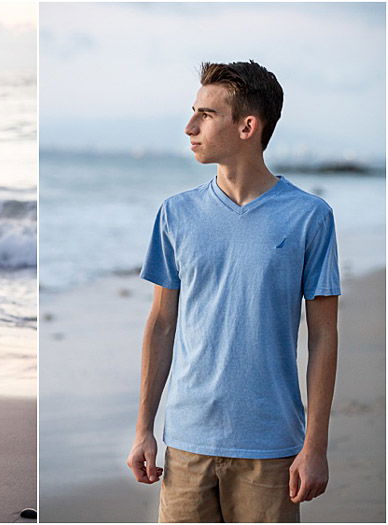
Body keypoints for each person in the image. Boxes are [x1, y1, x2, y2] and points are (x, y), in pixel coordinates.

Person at [126, 61, 341, 522]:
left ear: (248, 126)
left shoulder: (310, 217)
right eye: (193, 112)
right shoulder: (175, 214)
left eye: (206, 114)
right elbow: (162, 324)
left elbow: (324, 336)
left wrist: (315, 446)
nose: (190, 127)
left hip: (272, 447)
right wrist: (145, 428)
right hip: (186, 444)